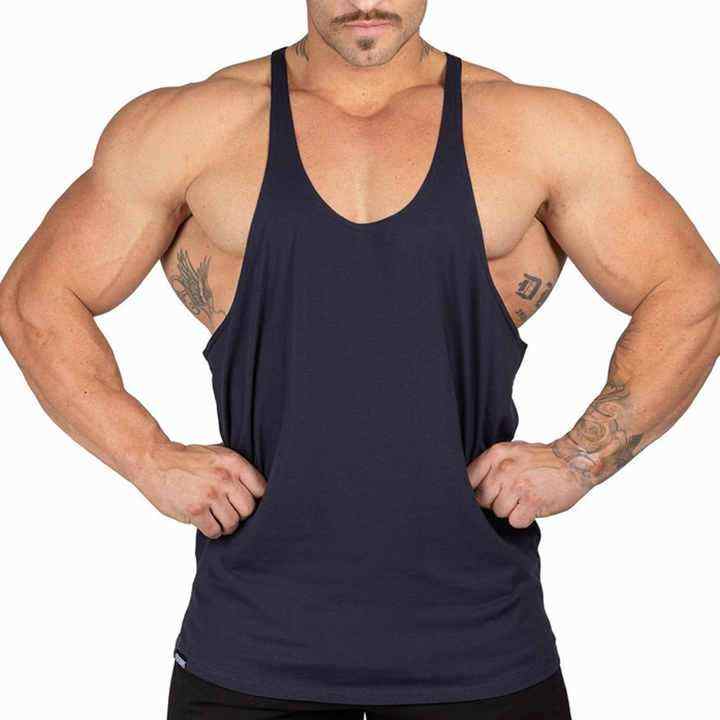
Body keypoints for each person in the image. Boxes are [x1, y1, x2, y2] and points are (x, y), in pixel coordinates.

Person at [1, 1, 718, 718]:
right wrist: (148, 458)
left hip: (484, 650)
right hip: (251, 650)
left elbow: (690, 294)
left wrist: (577, 461)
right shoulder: (194, 129)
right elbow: (36, 299)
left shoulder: (540, 131)